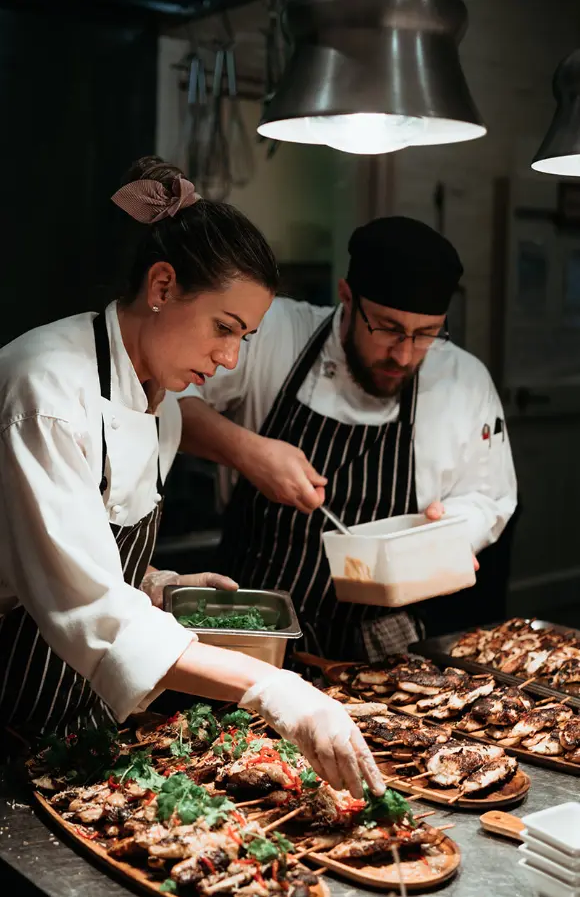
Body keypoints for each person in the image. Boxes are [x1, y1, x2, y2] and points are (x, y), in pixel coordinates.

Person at [0, 157, 385, 897]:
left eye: (245, 338)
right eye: (225, 328)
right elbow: (90, 612)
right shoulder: (42, 389)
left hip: (57, 712)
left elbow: (76, 560)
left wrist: (157, 584)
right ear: (163, 285)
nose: (231, 360)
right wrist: (277, 689)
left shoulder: (152, 394)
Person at [177, 216, 518, 663]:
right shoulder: (275, 332)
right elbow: (165, 399)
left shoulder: (465, 382)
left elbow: (489, 496)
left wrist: (448, 531)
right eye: (388, 328)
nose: (404, 355)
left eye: (425, 335)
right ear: (347, 297)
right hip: (251, 618)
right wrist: (247, 452)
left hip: (382, 640)